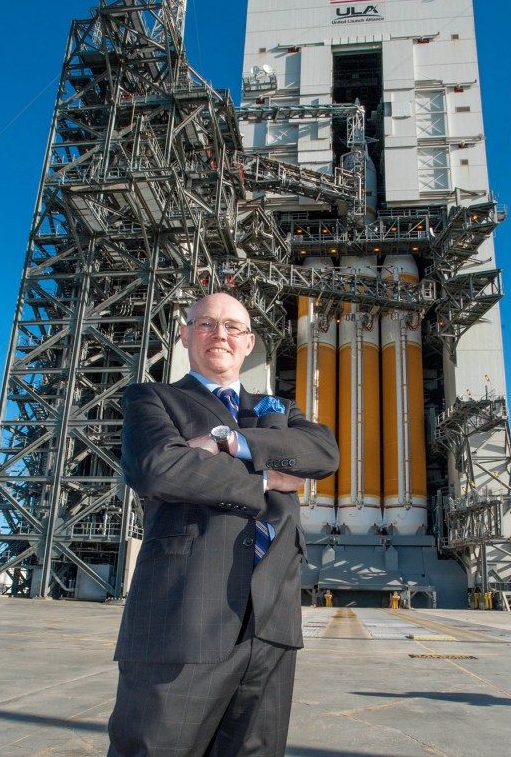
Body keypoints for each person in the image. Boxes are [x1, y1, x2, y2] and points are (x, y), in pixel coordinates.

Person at [107, 292, 338, 757]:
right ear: (185, 334)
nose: (220, 334)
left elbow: (323, 454)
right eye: (207, 323)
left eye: (233, 326)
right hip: (183, 619)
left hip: (272, 627)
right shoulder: (153, 398)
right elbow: (159, 469)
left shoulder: (278, 408)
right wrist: (266, 478)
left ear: (249, 342)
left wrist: (226, 440)